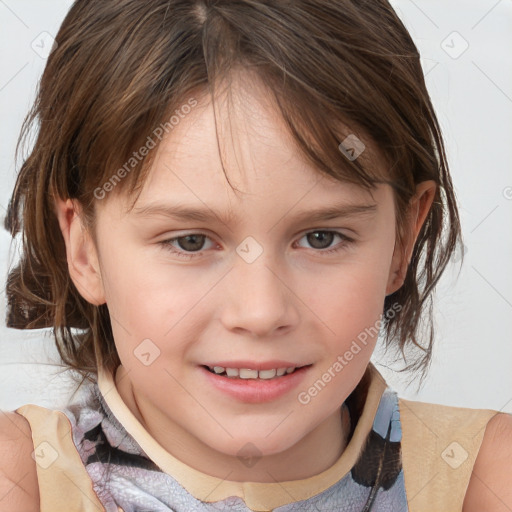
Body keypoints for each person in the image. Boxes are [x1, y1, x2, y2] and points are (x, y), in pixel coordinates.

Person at [1, 0, 511, 511]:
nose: (261, 312)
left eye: (321, 238)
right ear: (84, 249)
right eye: (191, 241)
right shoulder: (19, 478)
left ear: (401, 239)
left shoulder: (484, 479)